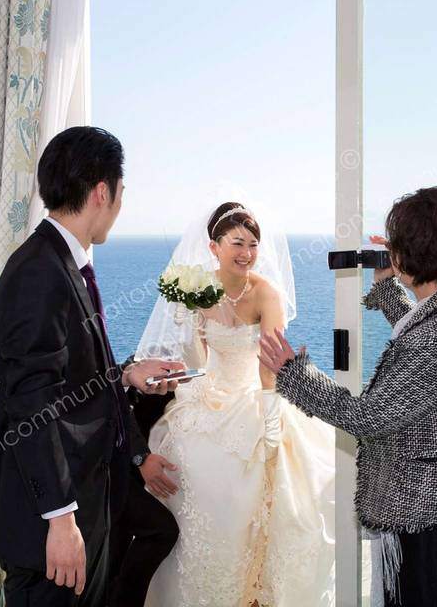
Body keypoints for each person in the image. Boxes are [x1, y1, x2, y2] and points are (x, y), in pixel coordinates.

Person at [0, 126, 182, 607]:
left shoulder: (61, 263)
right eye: (120, 193)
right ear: (103, 192)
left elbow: (57, 379)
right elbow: (31, 404)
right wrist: (60, 519)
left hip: (82, 507)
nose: (120, 205)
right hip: (52, 522)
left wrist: (124, 374)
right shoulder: (39, 272)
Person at [259, 187, 437, 607]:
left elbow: (369, 416)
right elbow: (422, 340)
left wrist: (293, 375)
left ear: (414, 252)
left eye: (398, 244)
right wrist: (389, 292)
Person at [137, 202, 335, 606]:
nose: (246, 252)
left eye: (253, 244)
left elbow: (271, 365)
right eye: (237, 243)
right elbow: (196, 360)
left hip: (257, 396)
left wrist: (271, 417)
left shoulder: (266, 293)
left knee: (260, 490)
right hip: (206, 396)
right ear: (214, 247)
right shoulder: (195, 289)